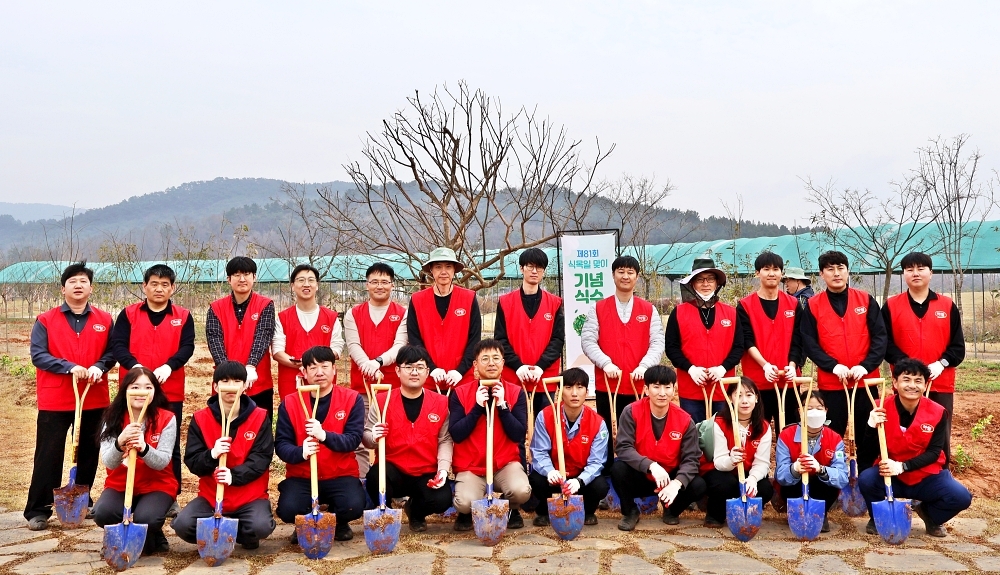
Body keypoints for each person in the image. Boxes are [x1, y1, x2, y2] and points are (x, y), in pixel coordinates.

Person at [25, 262, 115, 531]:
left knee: (89, 452)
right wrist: (69, 367)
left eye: (83, 281)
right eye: (73, 281)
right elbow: (38, 355)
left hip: (94, 396)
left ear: (91, 288)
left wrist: (99, 367)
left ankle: (82, 502)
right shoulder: (46, 320)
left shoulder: (105, 320)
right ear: (63, 287)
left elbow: (113, 352)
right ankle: (38, 510)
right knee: (48, 453)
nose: (78, 285)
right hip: (56, 398)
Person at [110, 263, 195, 516]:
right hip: (133, 390)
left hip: (170, 390)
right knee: (128, 436)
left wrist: (170, 366)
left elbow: (187, 347)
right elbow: (118, 345)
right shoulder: (128, 314)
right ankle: (123, 490)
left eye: (165, 284)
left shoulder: (183, 315)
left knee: (169, 442)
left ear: (173, 288)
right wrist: (136, 368)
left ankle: (170, 495)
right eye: (154, 284)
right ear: (144, 286)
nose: (159, 289)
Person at [860, 358, 971, 538]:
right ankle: (878, 517)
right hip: (891, 477)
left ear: (925, 384)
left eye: (918, 380)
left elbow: (935, 452)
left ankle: (930, 515)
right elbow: (867, 451)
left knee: (961, 497)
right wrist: (870, 427)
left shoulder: (937, 412)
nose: (912, 385)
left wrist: (903, 466)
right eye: (906, 379)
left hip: (925, 476)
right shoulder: (880, 408)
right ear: (895, 383)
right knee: (866, 479)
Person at [172, 361, 275, 550]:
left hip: (249, 497)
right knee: (182, 525)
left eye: (237, 381)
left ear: (245, 386)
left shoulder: (260, 417)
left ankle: (241, 533)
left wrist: (233, 476)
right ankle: (222, 531)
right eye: (224, 381)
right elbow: (193, 461)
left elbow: (262, 458)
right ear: (215, 386)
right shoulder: (201, 418)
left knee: (260, 526)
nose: (230, 386)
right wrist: (211, 455)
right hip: (212, 498)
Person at [799, 250, 887, 471]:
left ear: (848, 271)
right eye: (830, 269)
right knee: (832, 431)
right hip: (832, 382)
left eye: (840, 268)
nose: (836, 273)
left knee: (868, 428)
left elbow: (880, 337)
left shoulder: (865, 300)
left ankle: (866, 473)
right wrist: (832, 366)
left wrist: (865, 366)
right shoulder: (813, 305)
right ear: (822, 274)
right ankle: (831, 474)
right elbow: (809, 342)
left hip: (864, 381)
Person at [581, 255, 664, 473]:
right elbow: (588, 340)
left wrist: (645, 367)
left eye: (630, 272)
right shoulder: (598, 308)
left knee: (639, 432)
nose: (625, 276)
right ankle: (605, 475)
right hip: (607, 385)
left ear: (637, 277)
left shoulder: (648, 310)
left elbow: (657, 343)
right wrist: (605, 363)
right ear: (613, 275)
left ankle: (637, 475)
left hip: (638, 385)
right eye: (621, 271)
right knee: (605, 431)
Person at [274, 346, 366, 542]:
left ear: (334, 369)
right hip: (303, 476)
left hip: (339, 473)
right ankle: (305, 522)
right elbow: (281, 444)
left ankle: (338, 521)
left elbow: (353, 440)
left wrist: (325, 436)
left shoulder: (352, 399)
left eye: (325, 366)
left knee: (353, 505)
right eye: (313, 367)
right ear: (304, 372)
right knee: (289, 509)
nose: (320, 372)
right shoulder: (290, 403)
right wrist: (301, 452)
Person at [362, 345, 452, 532]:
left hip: (425, 471)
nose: (414, 372)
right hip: (393, 470)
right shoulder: (382, 401)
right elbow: (367, 436)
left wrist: (443, 470)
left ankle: (416, 512)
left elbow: (444, 440)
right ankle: (385, 513)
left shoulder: (441, 403)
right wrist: (374, 437)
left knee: (442, 499)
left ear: (427, 372)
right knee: (375, 477)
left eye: (420, 367)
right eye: (408, 367)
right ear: (397, 370)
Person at [92, 367, 177, 554]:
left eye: (148, 387)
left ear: (155, 391)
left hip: (157, 484)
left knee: (147, 519)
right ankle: (127, 533)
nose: (142, 392)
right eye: (135, 386)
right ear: (126, 390)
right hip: (120, 484)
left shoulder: (167, 419)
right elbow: (109, 462)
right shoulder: (111, 418)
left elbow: (162, 461)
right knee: (102, 513)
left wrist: (144, 448)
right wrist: (119, 442)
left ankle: (152, 531)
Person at [610, 365, 706, 530]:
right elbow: (623, 447)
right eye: (656, 387)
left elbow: (691, 459)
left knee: (699, 485)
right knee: (618, 468)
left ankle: (671, 509)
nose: (662, 393)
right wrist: (650, 466)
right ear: (646, 389)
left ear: (674, 389)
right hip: (642, 473)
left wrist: (676, 483)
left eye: (667, 387)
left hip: (670, 476)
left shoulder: (685, 420)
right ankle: (630, 511)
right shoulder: (631, 411)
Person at [450, 339, 530, 531]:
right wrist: (477, 408)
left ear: (503, 362)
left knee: (521, 491)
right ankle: (467, 512)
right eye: (485, 358)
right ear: (475, 364)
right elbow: (457, 434)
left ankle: (511, 508)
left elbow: (518, 433)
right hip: (472, 465)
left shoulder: (515, 392)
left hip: (504, 464)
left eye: (496, 358)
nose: (491, 363)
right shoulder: (460, 393)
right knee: (463, 501)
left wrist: (503, 407)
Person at [882, 252, 964, 419]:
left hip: (939, 384)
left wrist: (941, 364)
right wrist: (907, 367)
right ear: (903, 274)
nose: (916, 273)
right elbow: (885, 344)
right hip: (906, 383)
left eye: (921, 268)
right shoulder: (891, 306)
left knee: (939, 436)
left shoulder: (947, 306)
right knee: (904, 433)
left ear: (931, 273)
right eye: (909, 269)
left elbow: (958, 347)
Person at [345, 262, 408, 475]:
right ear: (367, 285)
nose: (379, 286)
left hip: (393, 388)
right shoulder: (353, 313)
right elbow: (353, 345)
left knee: (392, 435)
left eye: (384, 282)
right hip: (362, 387)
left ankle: (391, 482)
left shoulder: (403, 313)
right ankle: (363, 480)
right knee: (362, 435)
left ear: (392, 285)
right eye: (374, 282)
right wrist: (367, 366)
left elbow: (400, 345)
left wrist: (378, 362)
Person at [665, 257, 744, 423]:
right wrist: (691, 369)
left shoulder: (730, 313)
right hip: (691, 385)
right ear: (692, 283)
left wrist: (723, 368)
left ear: (717, 283)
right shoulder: (679, 312)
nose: (705, 283)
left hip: (723, 384)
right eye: (700, 279)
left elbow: (739, 347)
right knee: (694, 433)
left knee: (724, 432)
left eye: (710, 279)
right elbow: (671, 348)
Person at [528, 367, 609, 526]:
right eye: (569, 387)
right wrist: (549, 471)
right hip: (554, 472)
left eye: (580, 387)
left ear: (587, 391)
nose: (574, 393)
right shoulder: (545, 416)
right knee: (536, 478)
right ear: (560, 390)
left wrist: (579, 481)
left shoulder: (598, 423)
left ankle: (587, 511)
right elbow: (539, 451)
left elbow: (597, 462)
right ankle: (544, 512)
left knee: (600, 485)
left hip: (580, 474)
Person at [737, 252, 804, 429]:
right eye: (766, 269)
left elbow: (799, 340)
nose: (772, 273)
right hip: (758, 382)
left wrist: (792, 365)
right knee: (758, 431)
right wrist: (765, 365)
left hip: (788, 381)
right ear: (757, 273)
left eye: (776, 269)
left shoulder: (794, 304)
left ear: (782, 273)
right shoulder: (745, 305)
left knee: (790, 431)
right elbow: (747, 340)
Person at [495, 248, 565, 415]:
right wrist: (518, 366)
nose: (535, 271)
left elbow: (557, 340)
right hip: (514, 377)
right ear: (521, 268)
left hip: (545, 378)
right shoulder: (505, 302)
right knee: (515, 431)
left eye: (539, 267)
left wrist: (540, 367)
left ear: (544, 271)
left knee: (543, 431)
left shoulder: (555, 303)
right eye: (530, 266)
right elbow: (500, 339)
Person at [207, 256, 277, 423]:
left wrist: (251, 366)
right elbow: (214, 339)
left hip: (258, 382)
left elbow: (263, 335)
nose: (242, 279)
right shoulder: (216, 307)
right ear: (229, 279)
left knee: (259, 428)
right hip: (225, 383)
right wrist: (228, 374)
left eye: (247, 274)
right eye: (237, 275)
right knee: (224, 428)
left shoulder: (265, 305)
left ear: (254, 277)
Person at [407, 247, 482, 392]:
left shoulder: (468, 298)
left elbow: (475, 339)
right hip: (428, 378)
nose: (443, 271)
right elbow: (414, 339)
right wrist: (431, 368)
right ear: (431, 270)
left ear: (454, 270)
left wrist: (460, 371)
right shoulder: (417, 300)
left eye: (448, 266)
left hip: (461, 380)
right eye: (438, 267)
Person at [703, 378, 774, 528]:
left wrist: (753, 479)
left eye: (749, 395)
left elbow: (762, 463)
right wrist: (731, 459)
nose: (744, 401)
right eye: (738, 395)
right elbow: (718, 461)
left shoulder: (763, 427)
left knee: (765, 488)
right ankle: (715, 513)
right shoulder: (720, 423)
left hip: (748, 472)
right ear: (730, 398)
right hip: (722, 472)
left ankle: (744, 514)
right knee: (726, 483)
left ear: (756, 398)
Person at [775, 389, 848, 533]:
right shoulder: (786, 435)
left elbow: (842, 477)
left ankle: (821, 513)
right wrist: (795, 469)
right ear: (800, 411)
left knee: (827, 483)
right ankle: (796, 511)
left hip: (822, 488)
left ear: (826, 410)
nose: (814, 412)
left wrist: (821, 469)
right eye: (808, 408)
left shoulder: (834, 438)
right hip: (794, 486)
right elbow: (780, 475)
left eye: (819, 408)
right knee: (791, 483)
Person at [272, 263, 345, 401]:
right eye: (301, 280)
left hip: (323, 380)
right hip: (291, 381)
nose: (306, 284)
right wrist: (300, 363)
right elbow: (277, 351)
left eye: (311, 280)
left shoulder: (331, 317)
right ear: (293, 285)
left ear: (317, 285)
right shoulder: (283, 318)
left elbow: (337, 347)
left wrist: (315, 364)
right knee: (292, 418)